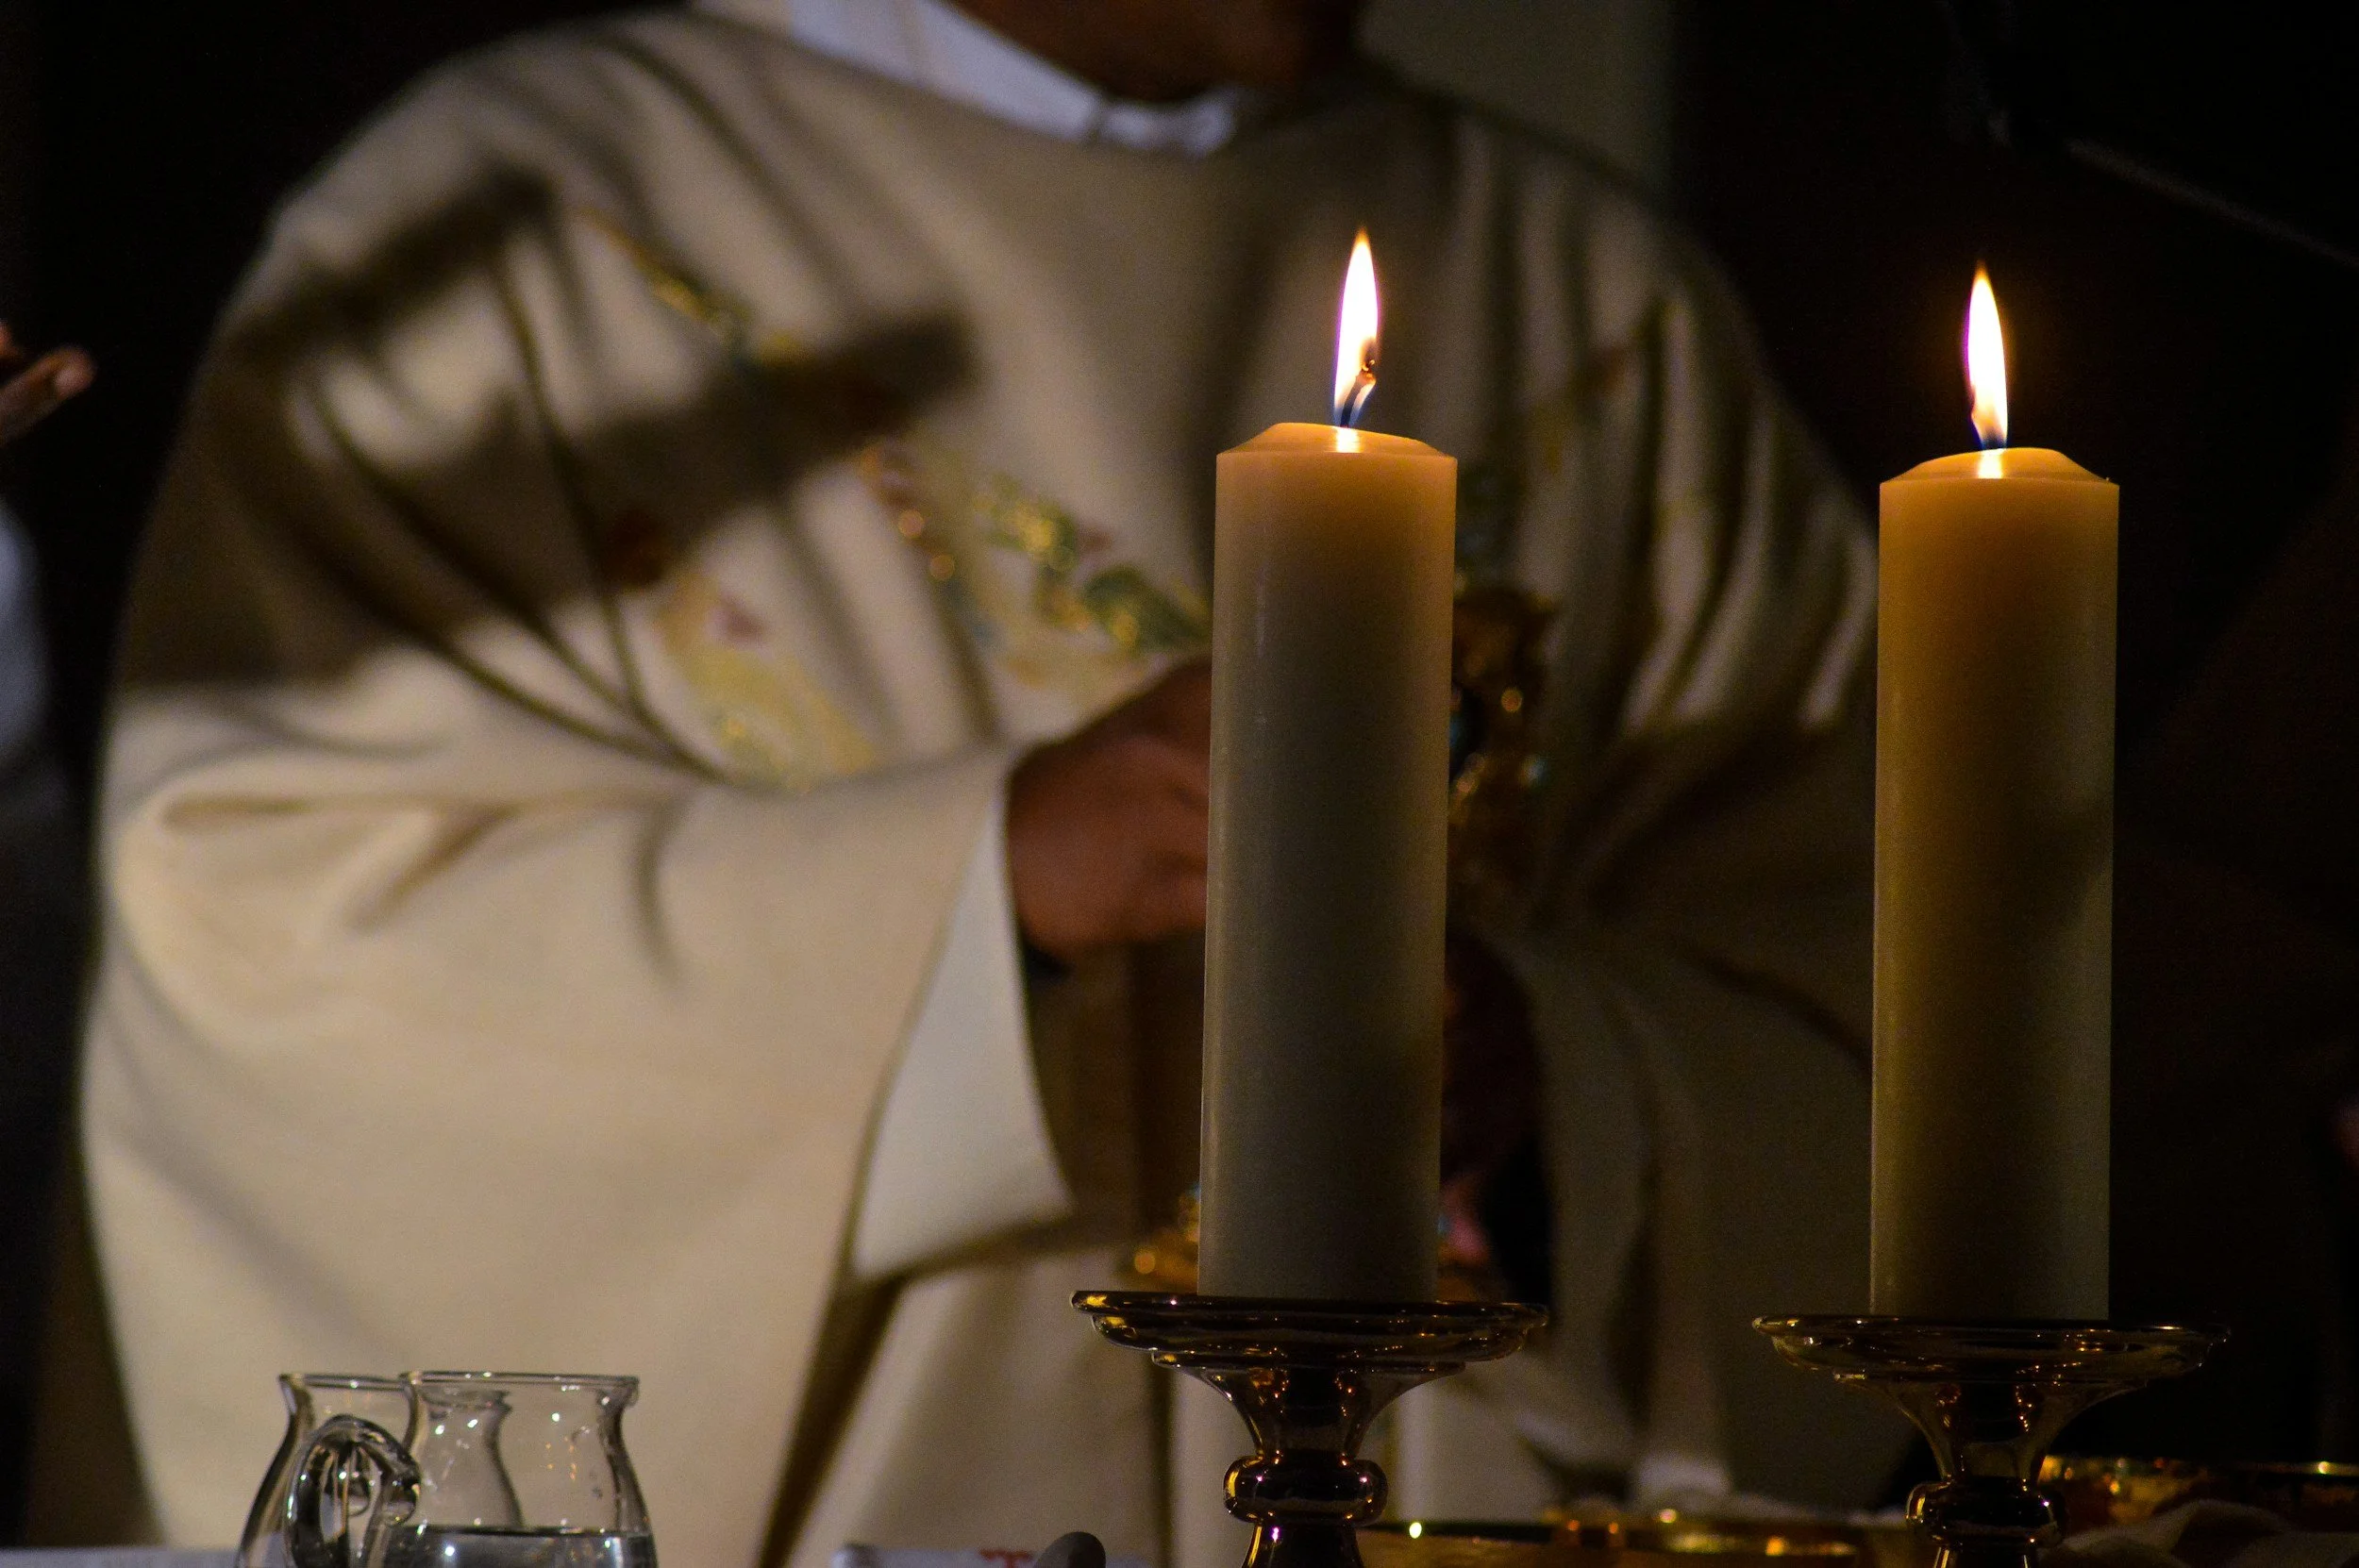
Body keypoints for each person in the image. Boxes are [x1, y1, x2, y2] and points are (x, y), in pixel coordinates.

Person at [81, 3, 1901, 1564]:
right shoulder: (520, 226)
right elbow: (280, 954)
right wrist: (978, 895)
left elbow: (1860, 995)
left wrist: (1554, 1087)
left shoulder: (1588, 290)